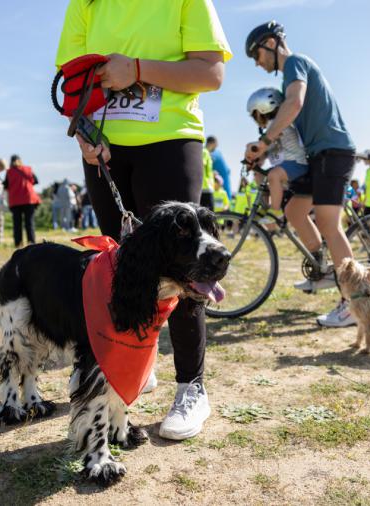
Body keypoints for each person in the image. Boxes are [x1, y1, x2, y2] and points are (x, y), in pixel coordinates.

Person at [56, 0, 231, 441]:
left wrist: (136, 68)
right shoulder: (85, 4)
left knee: (185, 266)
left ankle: (192, 386)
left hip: (171, 141)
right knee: (121, 264)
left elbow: (210, 73)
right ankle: (133, 362)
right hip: (106, 147)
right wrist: (83, 133)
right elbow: (72, 84)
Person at [244, 21, 357, 326]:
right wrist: (262, 152)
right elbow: (288, 129)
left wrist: (264, 141)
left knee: (329, 224)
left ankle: (354, 302)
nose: (257, 62)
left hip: (333, 151)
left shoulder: (294, 62)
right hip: (317, 155)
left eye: (256, 55)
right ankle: (322, 270)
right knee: (294, 211)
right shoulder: (289, 74)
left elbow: (294, 104)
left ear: (270, 43)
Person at [246, 87, 309, 214]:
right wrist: (256, 160)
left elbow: (268, 142)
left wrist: (250, 147)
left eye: (254, 116)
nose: (255, 120)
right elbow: (265, 151)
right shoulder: (270, 130)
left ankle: (275, 211)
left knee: (273, 175)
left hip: (296, 164)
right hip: (284, 167)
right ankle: (265, 208)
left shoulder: (276, 125)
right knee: (259, 174)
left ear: (261, 111)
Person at [4, 155, 40, 247]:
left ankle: (18, 244)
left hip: (15, 201)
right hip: (28, 199)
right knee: (29, 223)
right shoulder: (28, 169)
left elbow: (6, 186)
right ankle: (31, 243)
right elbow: (35, 181)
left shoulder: (9, 172)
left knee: (17, 224)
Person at [200, 145, 215, 211]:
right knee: (209, 214)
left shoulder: (205, 152)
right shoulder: (205, 152)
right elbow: (201, 165)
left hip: (205, 188)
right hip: (205, 188)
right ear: (214, 144)